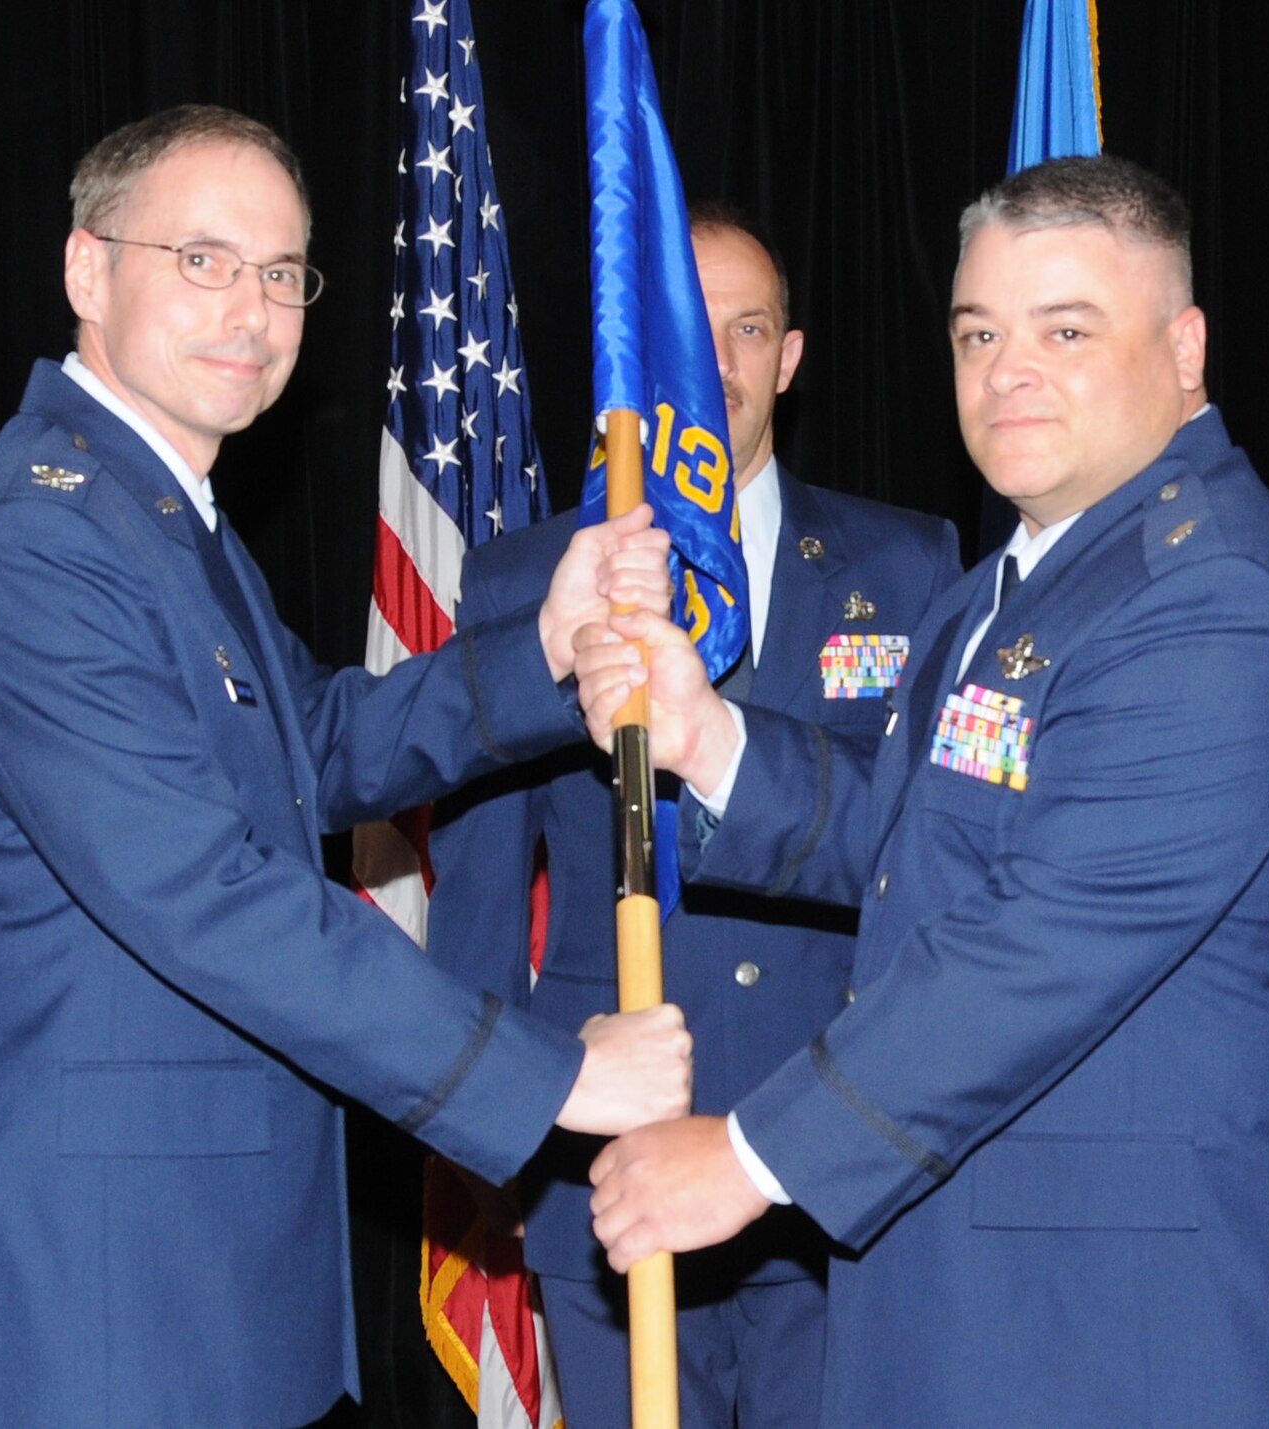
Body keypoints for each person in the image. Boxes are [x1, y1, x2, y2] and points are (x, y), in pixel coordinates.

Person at [0, 104, 693, 1429]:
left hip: (208, 1281)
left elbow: (304, 745)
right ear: (89, 272)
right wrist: (552, 1076)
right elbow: (209, 893)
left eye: (280, 274)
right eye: (201, 259)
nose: (249, 310)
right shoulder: (39, 544)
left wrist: (544, 646)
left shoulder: (154, 516)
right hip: (103, 1300)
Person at [574, 156, 1269, 1426]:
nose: (1006, 369)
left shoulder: (1215, 605)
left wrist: (751, 1152)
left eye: (1064, 330)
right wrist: (708, 741)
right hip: (978, 1302)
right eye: (977, 332)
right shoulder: (1016, 582)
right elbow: (930, 847)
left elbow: (1042, 944)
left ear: (1183, 349)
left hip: (1142, 1335)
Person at [427, 207, 960, 1428]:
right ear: (634, 362)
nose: (716, 366)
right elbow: (479, 878)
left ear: (790, 357)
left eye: (748, 329)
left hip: (830, 1149)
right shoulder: (528, 580)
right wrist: (487, 1127)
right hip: (605, 1162)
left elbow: (931, 862)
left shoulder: (909, 562)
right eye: (686, 335)